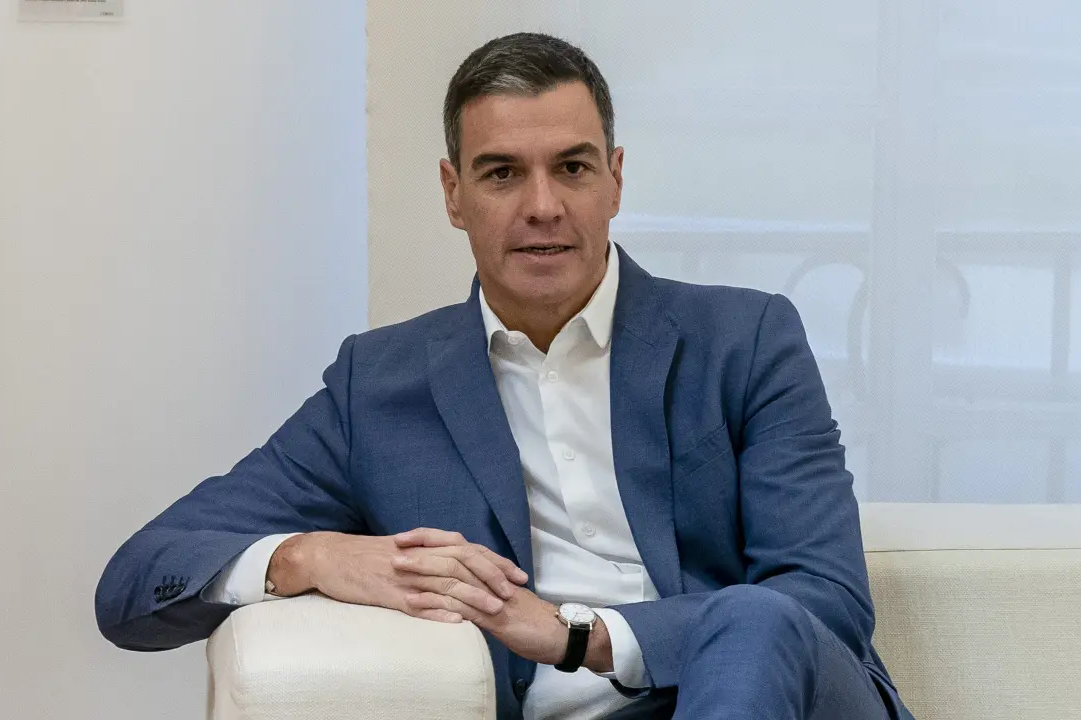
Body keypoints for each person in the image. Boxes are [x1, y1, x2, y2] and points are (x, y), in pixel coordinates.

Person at [95, 32, 914, 720]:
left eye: (573, 168)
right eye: (502, 173)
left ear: (616, 179)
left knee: (756, 619)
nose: (543, 206)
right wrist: (307, 557)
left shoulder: (745, 339)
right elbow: (135, 581)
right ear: (453, 194)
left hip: (758, 694)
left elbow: (826, 602)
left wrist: (576, 635)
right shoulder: (375, 387)